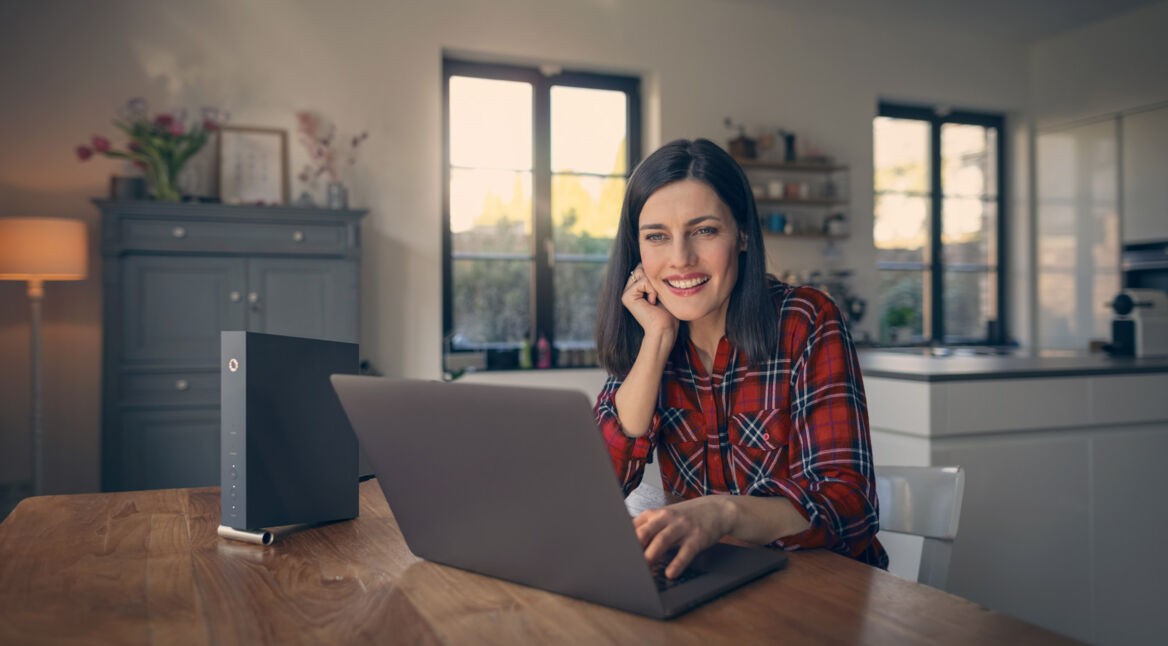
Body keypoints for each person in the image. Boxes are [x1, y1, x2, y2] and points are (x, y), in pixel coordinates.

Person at [593, 138, 887, 579]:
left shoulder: (805, 320)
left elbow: (848, 504)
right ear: (637, 253)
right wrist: (657, 339)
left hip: (821, 590)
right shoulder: (651, 327)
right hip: (713, 582)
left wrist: (722, 515)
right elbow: (598, 487)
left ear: (743, 234)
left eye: (704, 231)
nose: (680, 259)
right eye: (657, 237)